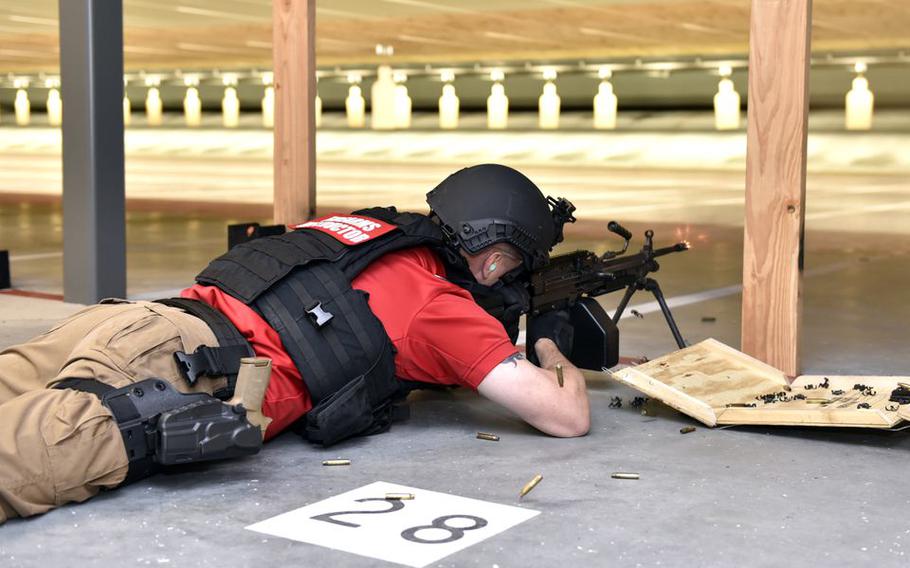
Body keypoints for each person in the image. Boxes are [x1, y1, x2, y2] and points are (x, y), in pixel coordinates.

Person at [0, 164, 588, 524]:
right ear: (493, 258)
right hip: (178, 373)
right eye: (512, 267)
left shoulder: (360, 230)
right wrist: (550, 347)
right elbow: (564, 416)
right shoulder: (442, 308)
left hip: (132, 321)